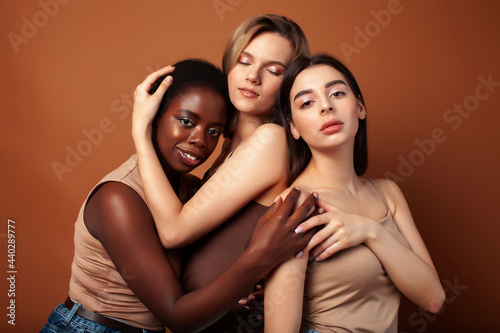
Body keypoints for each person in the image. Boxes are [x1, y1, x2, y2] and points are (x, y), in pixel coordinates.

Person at [40, 59, 316, 333]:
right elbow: (179, 315)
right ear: (155, 115)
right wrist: (259, 259)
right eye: (186, 121)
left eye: (213, 131)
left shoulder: (189, 190)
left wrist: (240, 294)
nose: (199, 140)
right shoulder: (118, 198)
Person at [131, 14, 311, 331]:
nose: (253, 76)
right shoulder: (226, 145)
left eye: (273, 70)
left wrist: (140, 132)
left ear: (291, 84)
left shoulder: (271, 141)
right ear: (230, 65)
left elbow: (173, 231)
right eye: (244, 61)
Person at [263, 54, 446, 332]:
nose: (326, 106)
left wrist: (372, 231)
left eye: (337, 93)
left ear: (360, 107)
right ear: (294, 128)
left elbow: (433, 298)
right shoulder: (297, 205)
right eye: (307, 102)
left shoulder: (388, 193)